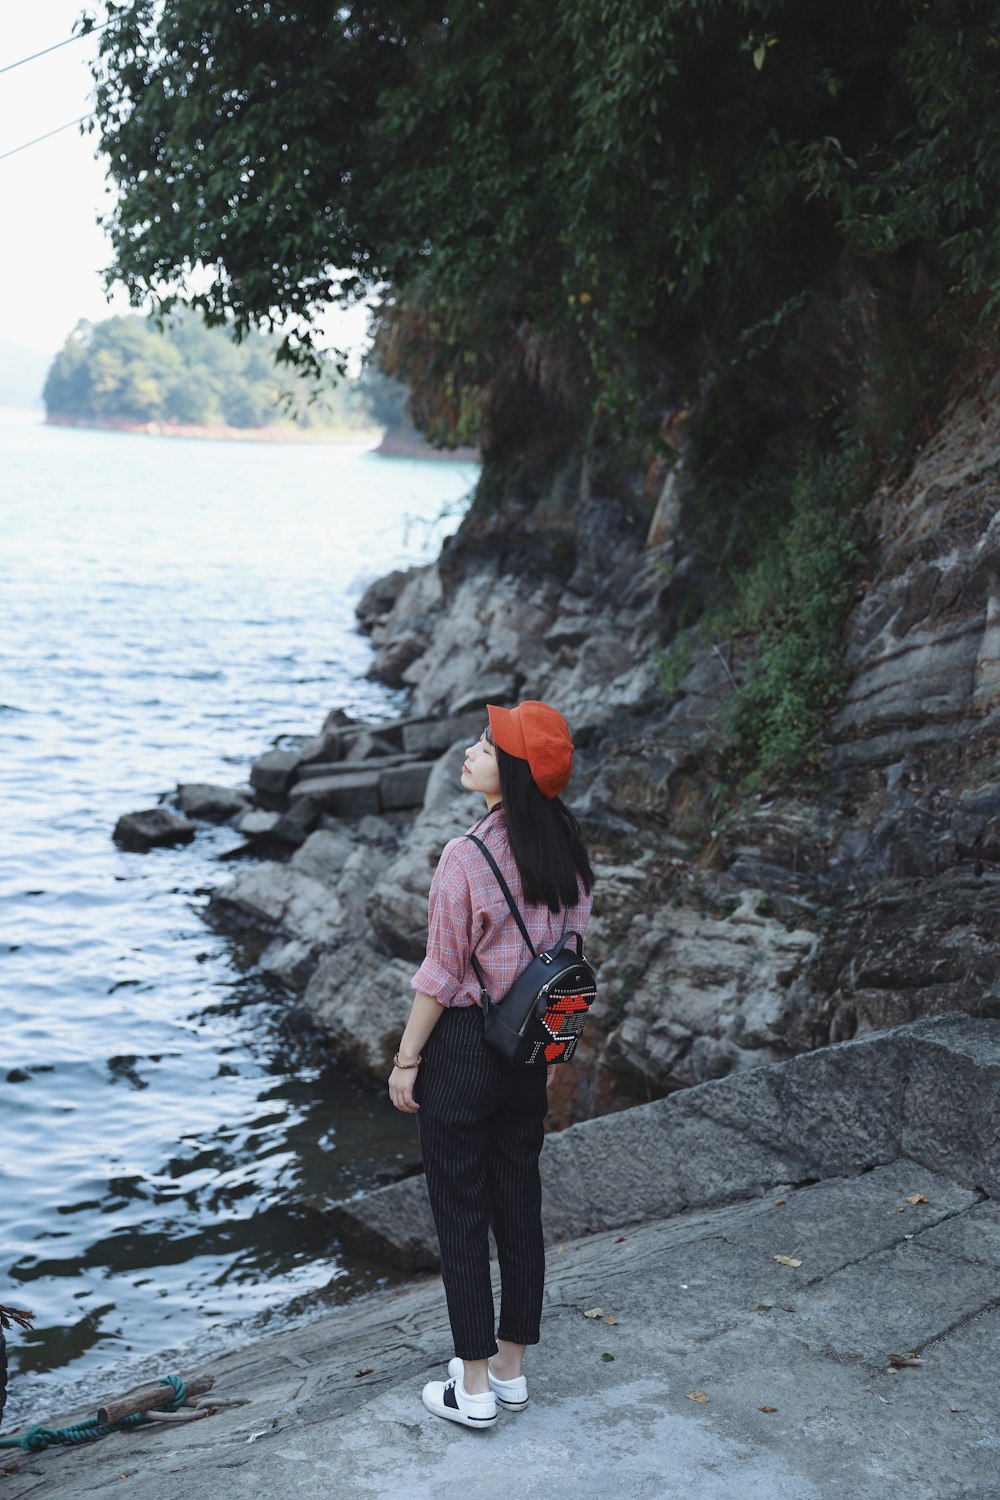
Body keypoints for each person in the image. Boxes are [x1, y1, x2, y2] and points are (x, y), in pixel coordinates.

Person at [388, 699, 595, 1429]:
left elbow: (440, 975)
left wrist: (407, 1059)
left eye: (484, 745)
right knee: (518, 1208)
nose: (470, 752)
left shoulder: (467, 856)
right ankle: (509, 1370)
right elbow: (569, 957)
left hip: (466, 1051)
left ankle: (469, 1388)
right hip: (531, 1053)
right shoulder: (570, 853)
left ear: (509, 771)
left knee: (460, 1216)